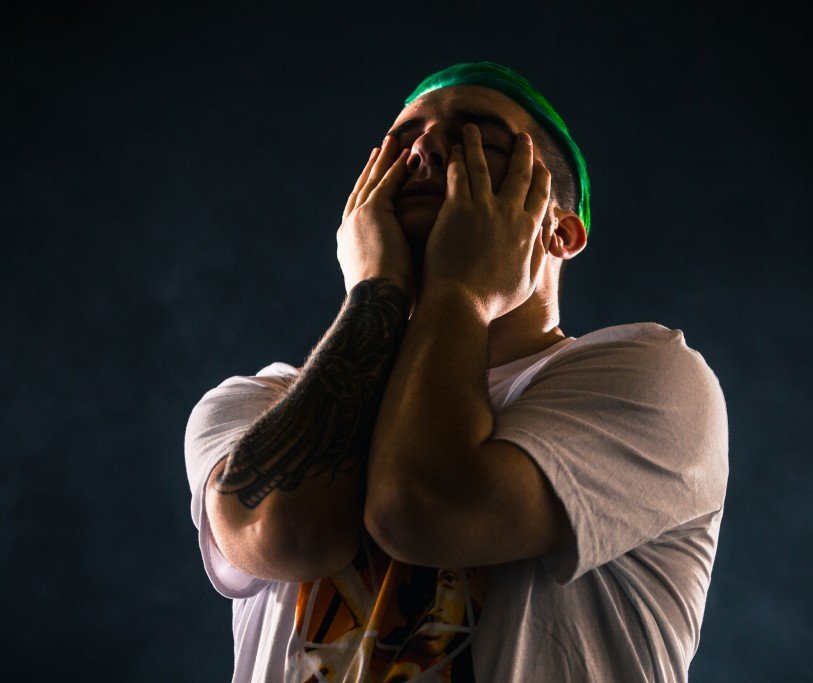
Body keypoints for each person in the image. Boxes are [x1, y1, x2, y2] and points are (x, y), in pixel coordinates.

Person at [184, 61, 729, 683]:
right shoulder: (257, 403)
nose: (424, 151)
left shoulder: (656, 381)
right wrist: (374, 292)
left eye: (481, 143)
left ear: (560, 231)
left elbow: (423, 510)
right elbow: (285, 533)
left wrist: (461, 290)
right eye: (400, 145)